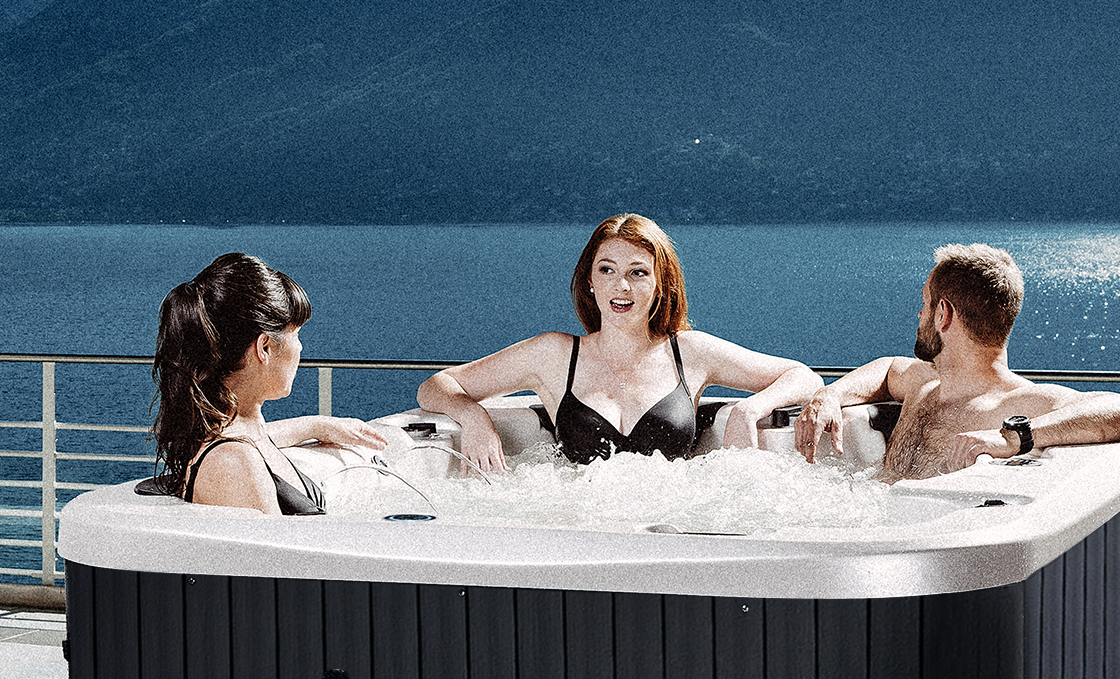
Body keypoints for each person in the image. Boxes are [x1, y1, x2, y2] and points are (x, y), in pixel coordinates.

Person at [417, 215, 822, 471]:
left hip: (672, 524)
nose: (621, 286)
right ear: (590, 281)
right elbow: (436, 386)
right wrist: (474, 420)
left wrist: (750, 410)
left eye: (638, 273)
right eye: (607, 270)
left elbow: (804, 377)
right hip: (581, 524)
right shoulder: (556, 355)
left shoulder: (690, 352)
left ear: (661, 284)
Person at [794, 243, 1120, 479]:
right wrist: (829, 396)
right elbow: (887, 368)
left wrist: (1016, 437)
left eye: (925, 303)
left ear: (943, 314)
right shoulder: (925, 384)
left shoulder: (1018, 404)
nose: (919, 314)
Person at [153, 252, 390, 515]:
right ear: (264, 347)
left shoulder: (241, 432)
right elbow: (279, 557)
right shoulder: (232, 463)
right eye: (296, 334)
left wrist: (318, 425)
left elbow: (263, 436)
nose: (300, 348)